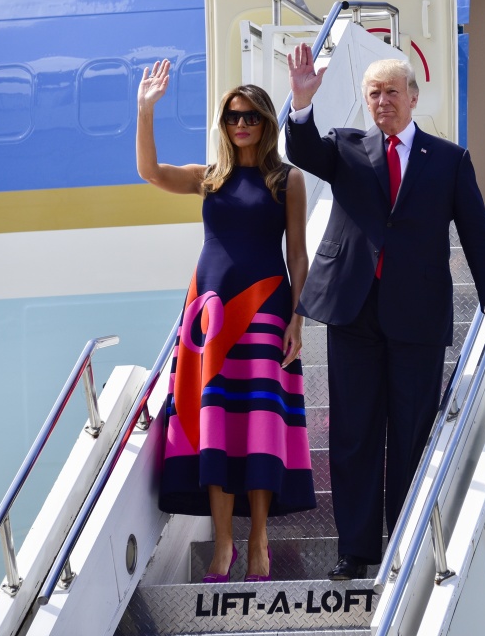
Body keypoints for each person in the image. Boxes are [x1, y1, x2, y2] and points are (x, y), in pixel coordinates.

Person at [284, 43, 485, 581]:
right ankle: (356, 550)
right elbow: (302, 152)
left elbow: (477, 234)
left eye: (392, 91)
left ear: (413, 96)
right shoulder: (343, 147)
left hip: (416, 314)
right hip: (353, 310)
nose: (383, 100)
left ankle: (407, 543)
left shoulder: (450, 160)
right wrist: (300, 103)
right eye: (373, 93)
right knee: (354, 433)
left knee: (410, 432)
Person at [136, 59, 314, 583]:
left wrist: (298, 317)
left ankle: (258, 542)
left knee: (258, 424)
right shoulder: (208, 178)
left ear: (266, 123)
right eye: (233, 117)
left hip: (266, 308)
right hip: (209, 317)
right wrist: (146, 110)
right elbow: (150, 172)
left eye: (251, 117)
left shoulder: (288, 180)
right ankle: (223, 547)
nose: (241, 125)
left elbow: (299, 255)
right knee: (215, 424)